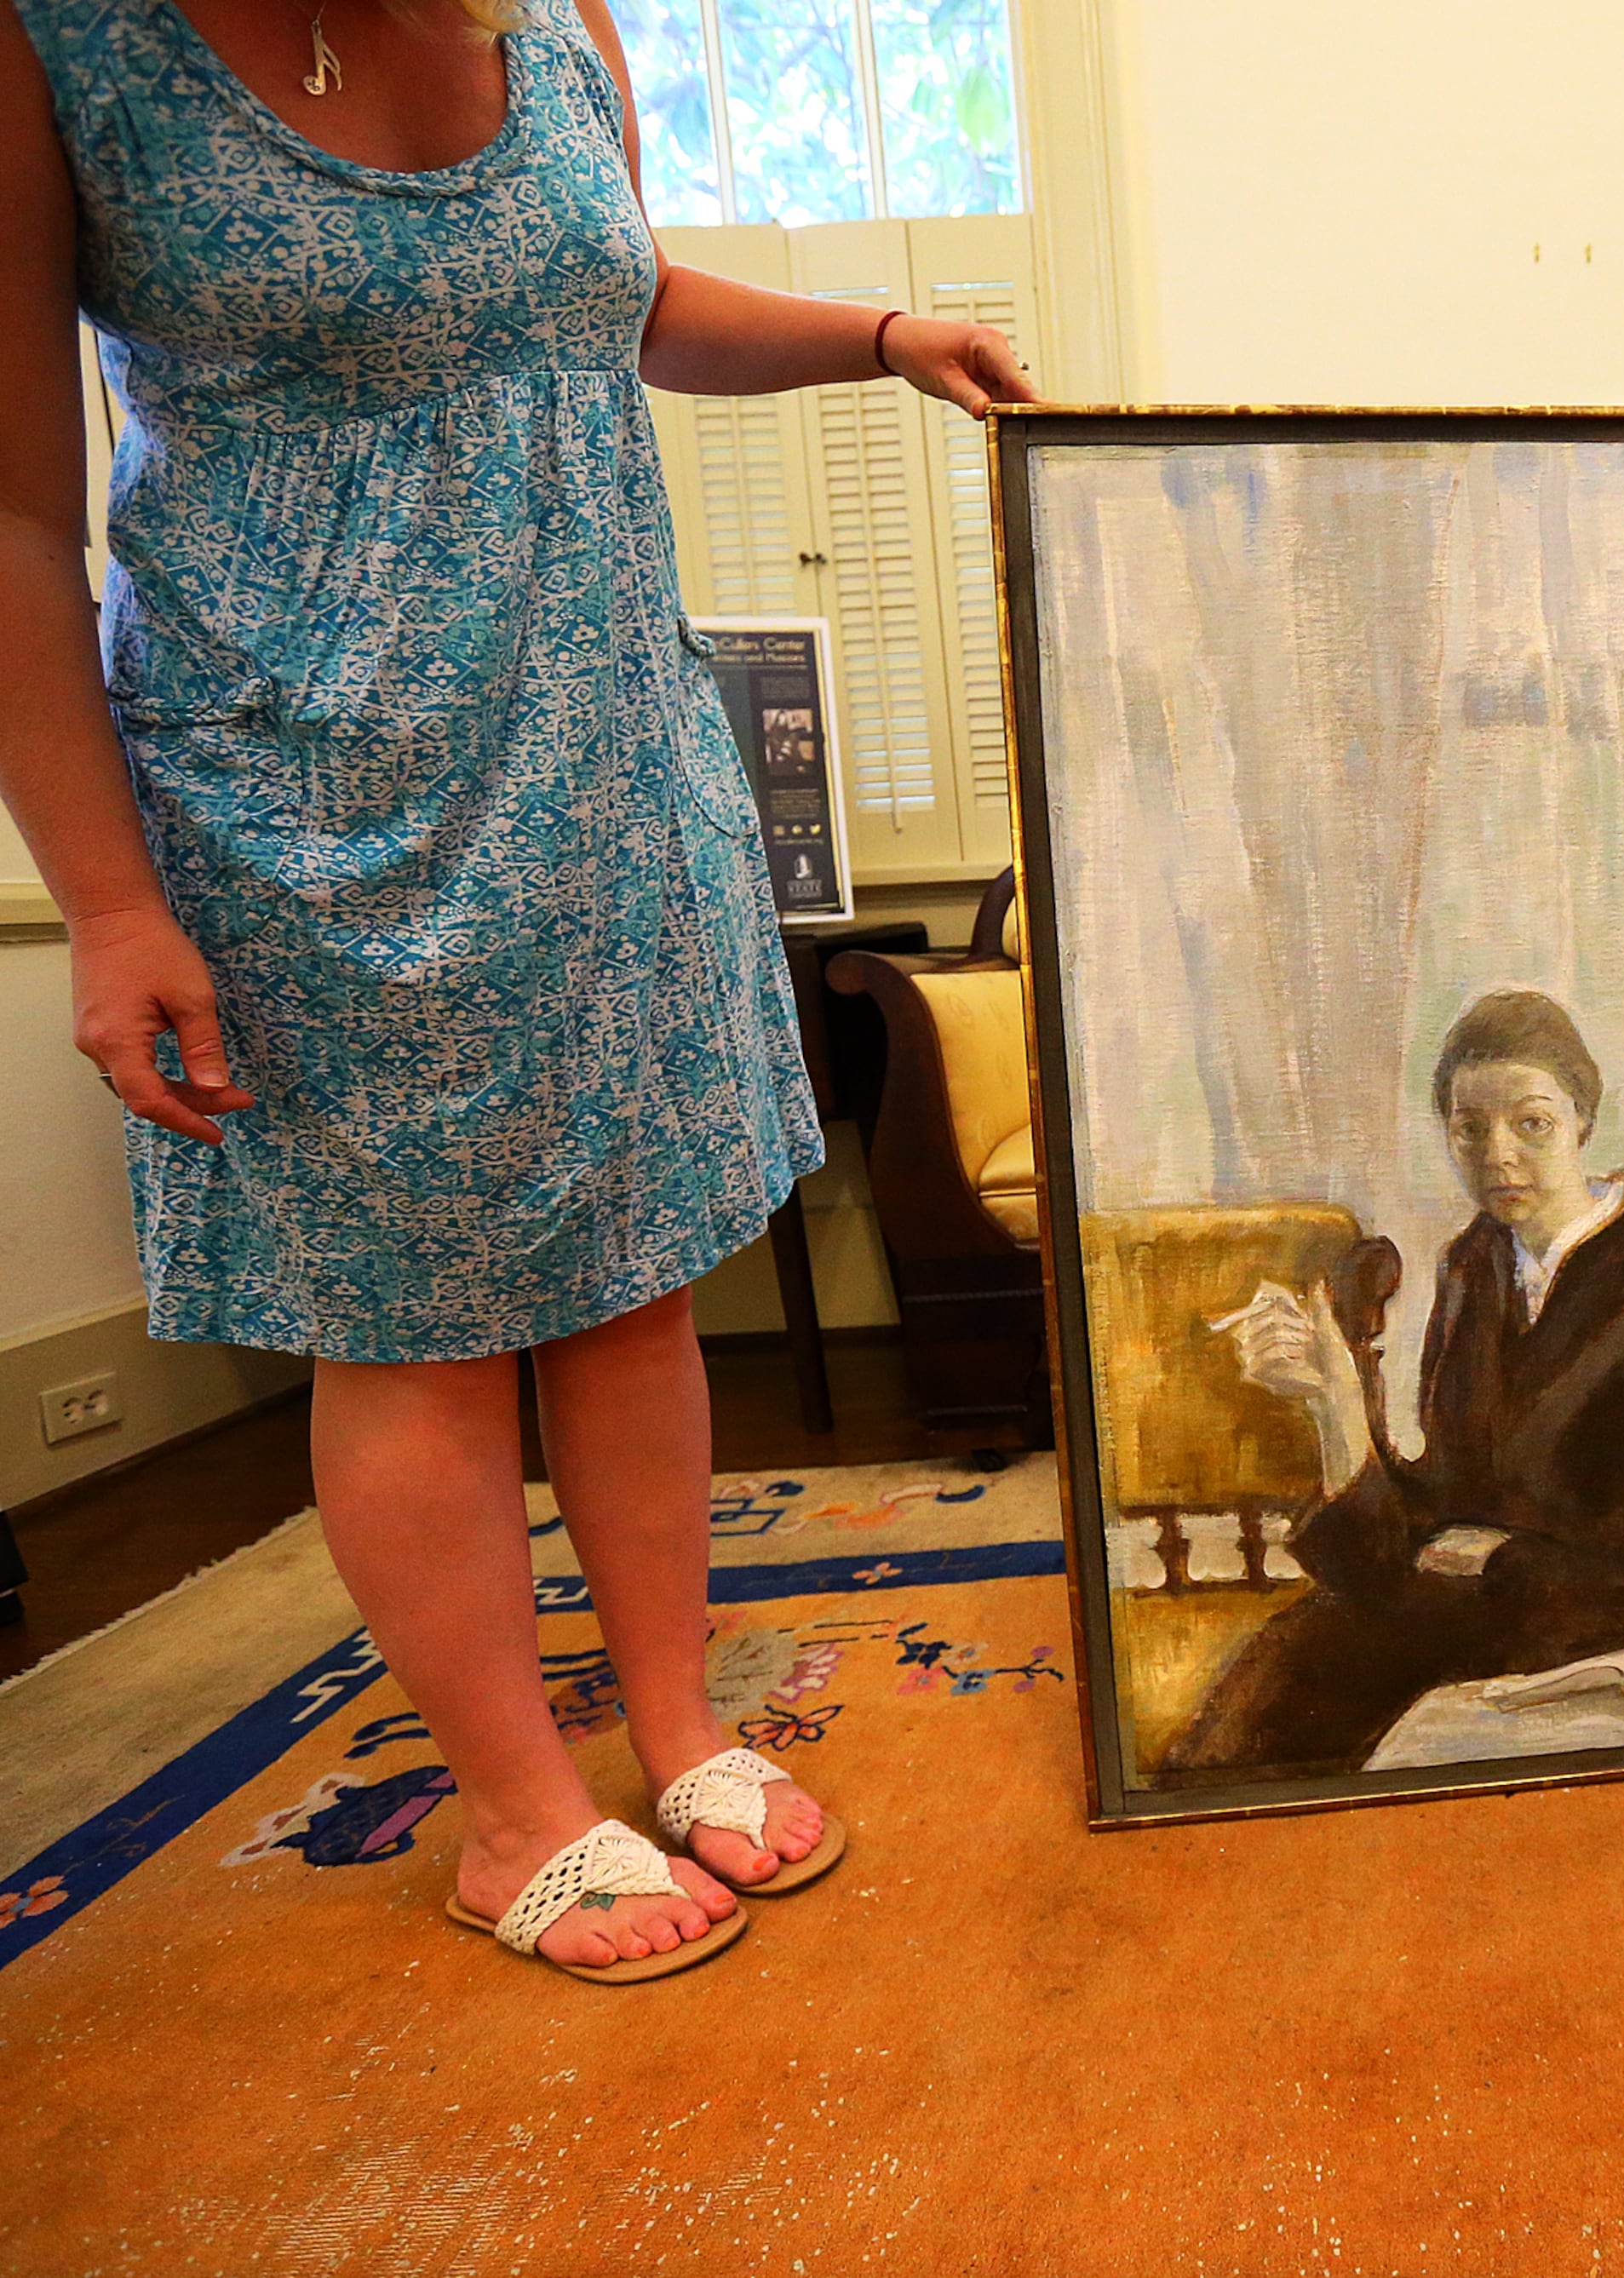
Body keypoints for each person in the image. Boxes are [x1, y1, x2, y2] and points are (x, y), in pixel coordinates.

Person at [0, 0, 1038, 1974]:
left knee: (636, 1275)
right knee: (408, 1320)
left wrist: (879, 337)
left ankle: (677, 1728)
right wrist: (107, 904)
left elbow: (617, 305)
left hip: (604, 764)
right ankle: (512, 1812)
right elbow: (15, 515)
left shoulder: (552, 28)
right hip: (295, 793)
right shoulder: (61, 43)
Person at [1161, 990, 1624, 1780]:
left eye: (1531, 1124)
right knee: (1289, 1670)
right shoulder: (1479, 1266)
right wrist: (1335, 1398)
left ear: (1583, 1121)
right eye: (1470, 1129)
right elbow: (1423, 1533)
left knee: (1307, 1688)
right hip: (1482, 1628)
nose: (1497, 1154)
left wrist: (1497, 1560)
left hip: (1614, 1659)